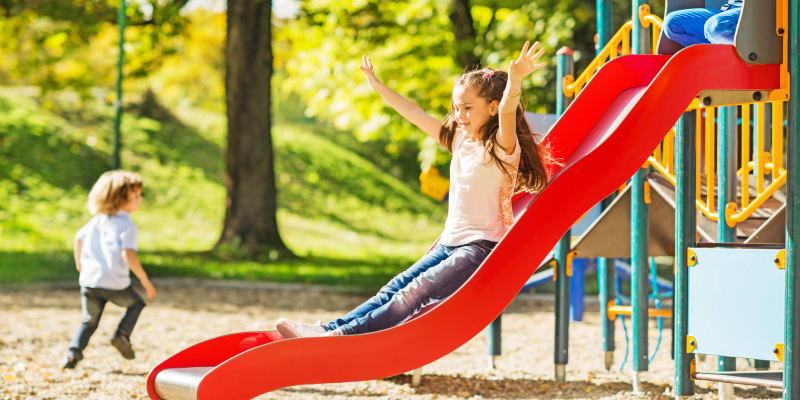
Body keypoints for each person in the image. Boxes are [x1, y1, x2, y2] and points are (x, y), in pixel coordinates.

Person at [275, 41, 551, 338]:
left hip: (479, 248)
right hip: (449, 243)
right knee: (394, 287)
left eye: (468, 108)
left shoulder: (502, 147)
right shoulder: (460, 140)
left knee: (414, 293)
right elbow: (416, 114)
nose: (460, 115)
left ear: (492, 108)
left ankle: (340, 336)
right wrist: (378, 87)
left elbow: (509, 111)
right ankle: (329, 328)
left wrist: (515, 82)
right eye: (457, 108)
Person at [61, 170, 157, 369]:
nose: (140, 199)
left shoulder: (96, 221)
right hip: (115, 283)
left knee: (89, 320)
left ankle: (73, 354)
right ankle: (122, 335)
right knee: (137, 303)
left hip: (90, 281)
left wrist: (80, 264)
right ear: (120, 199)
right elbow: (128, 254)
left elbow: (78, 239)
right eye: (136, 196)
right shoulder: (127, 225)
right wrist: (144, 280)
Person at [662, 0, 743, 48]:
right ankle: (719, 50)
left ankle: (746, 50)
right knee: (673, 23)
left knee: (716, 27)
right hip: (731, 8)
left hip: (750, 9)